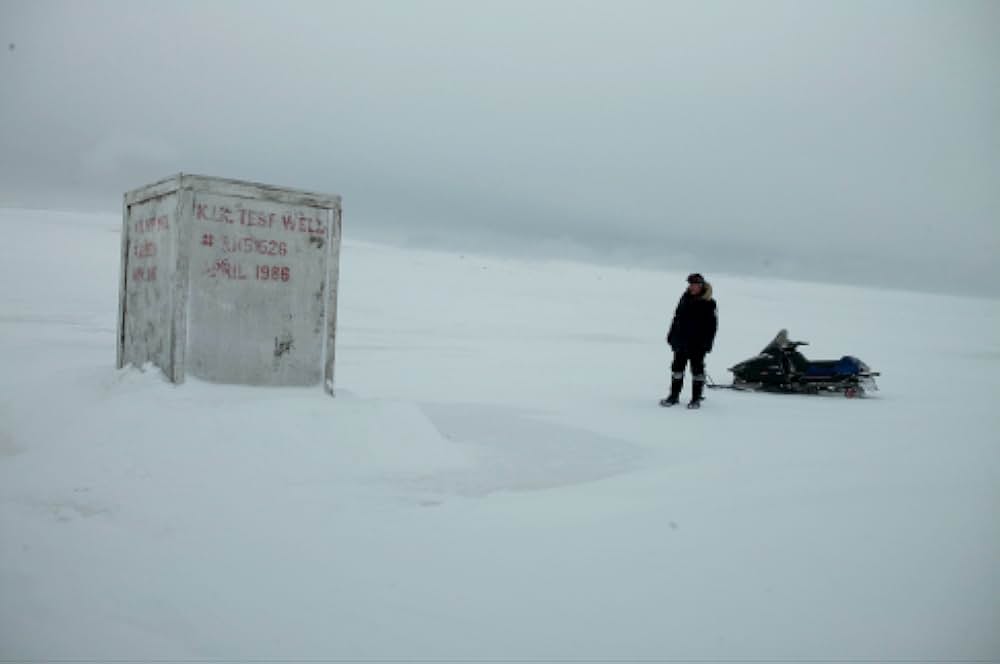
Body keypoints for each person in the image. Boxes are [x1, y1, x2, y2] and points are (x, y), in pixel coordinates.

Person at [662, 273, 718, 408]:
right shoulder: (685, 298)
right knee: (677, 369)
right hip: (681, 342)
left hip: (698, 344)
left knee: (697, 371)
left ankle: (696, 399)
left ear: (701, 286)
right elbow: (677, 318)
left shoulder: (709, 302)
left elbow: (712, 327)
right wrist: (671, 336)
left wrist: (707, 344)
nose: (692, 287)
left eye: (695, 284)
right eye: (690, 284)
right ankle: (673, 397)